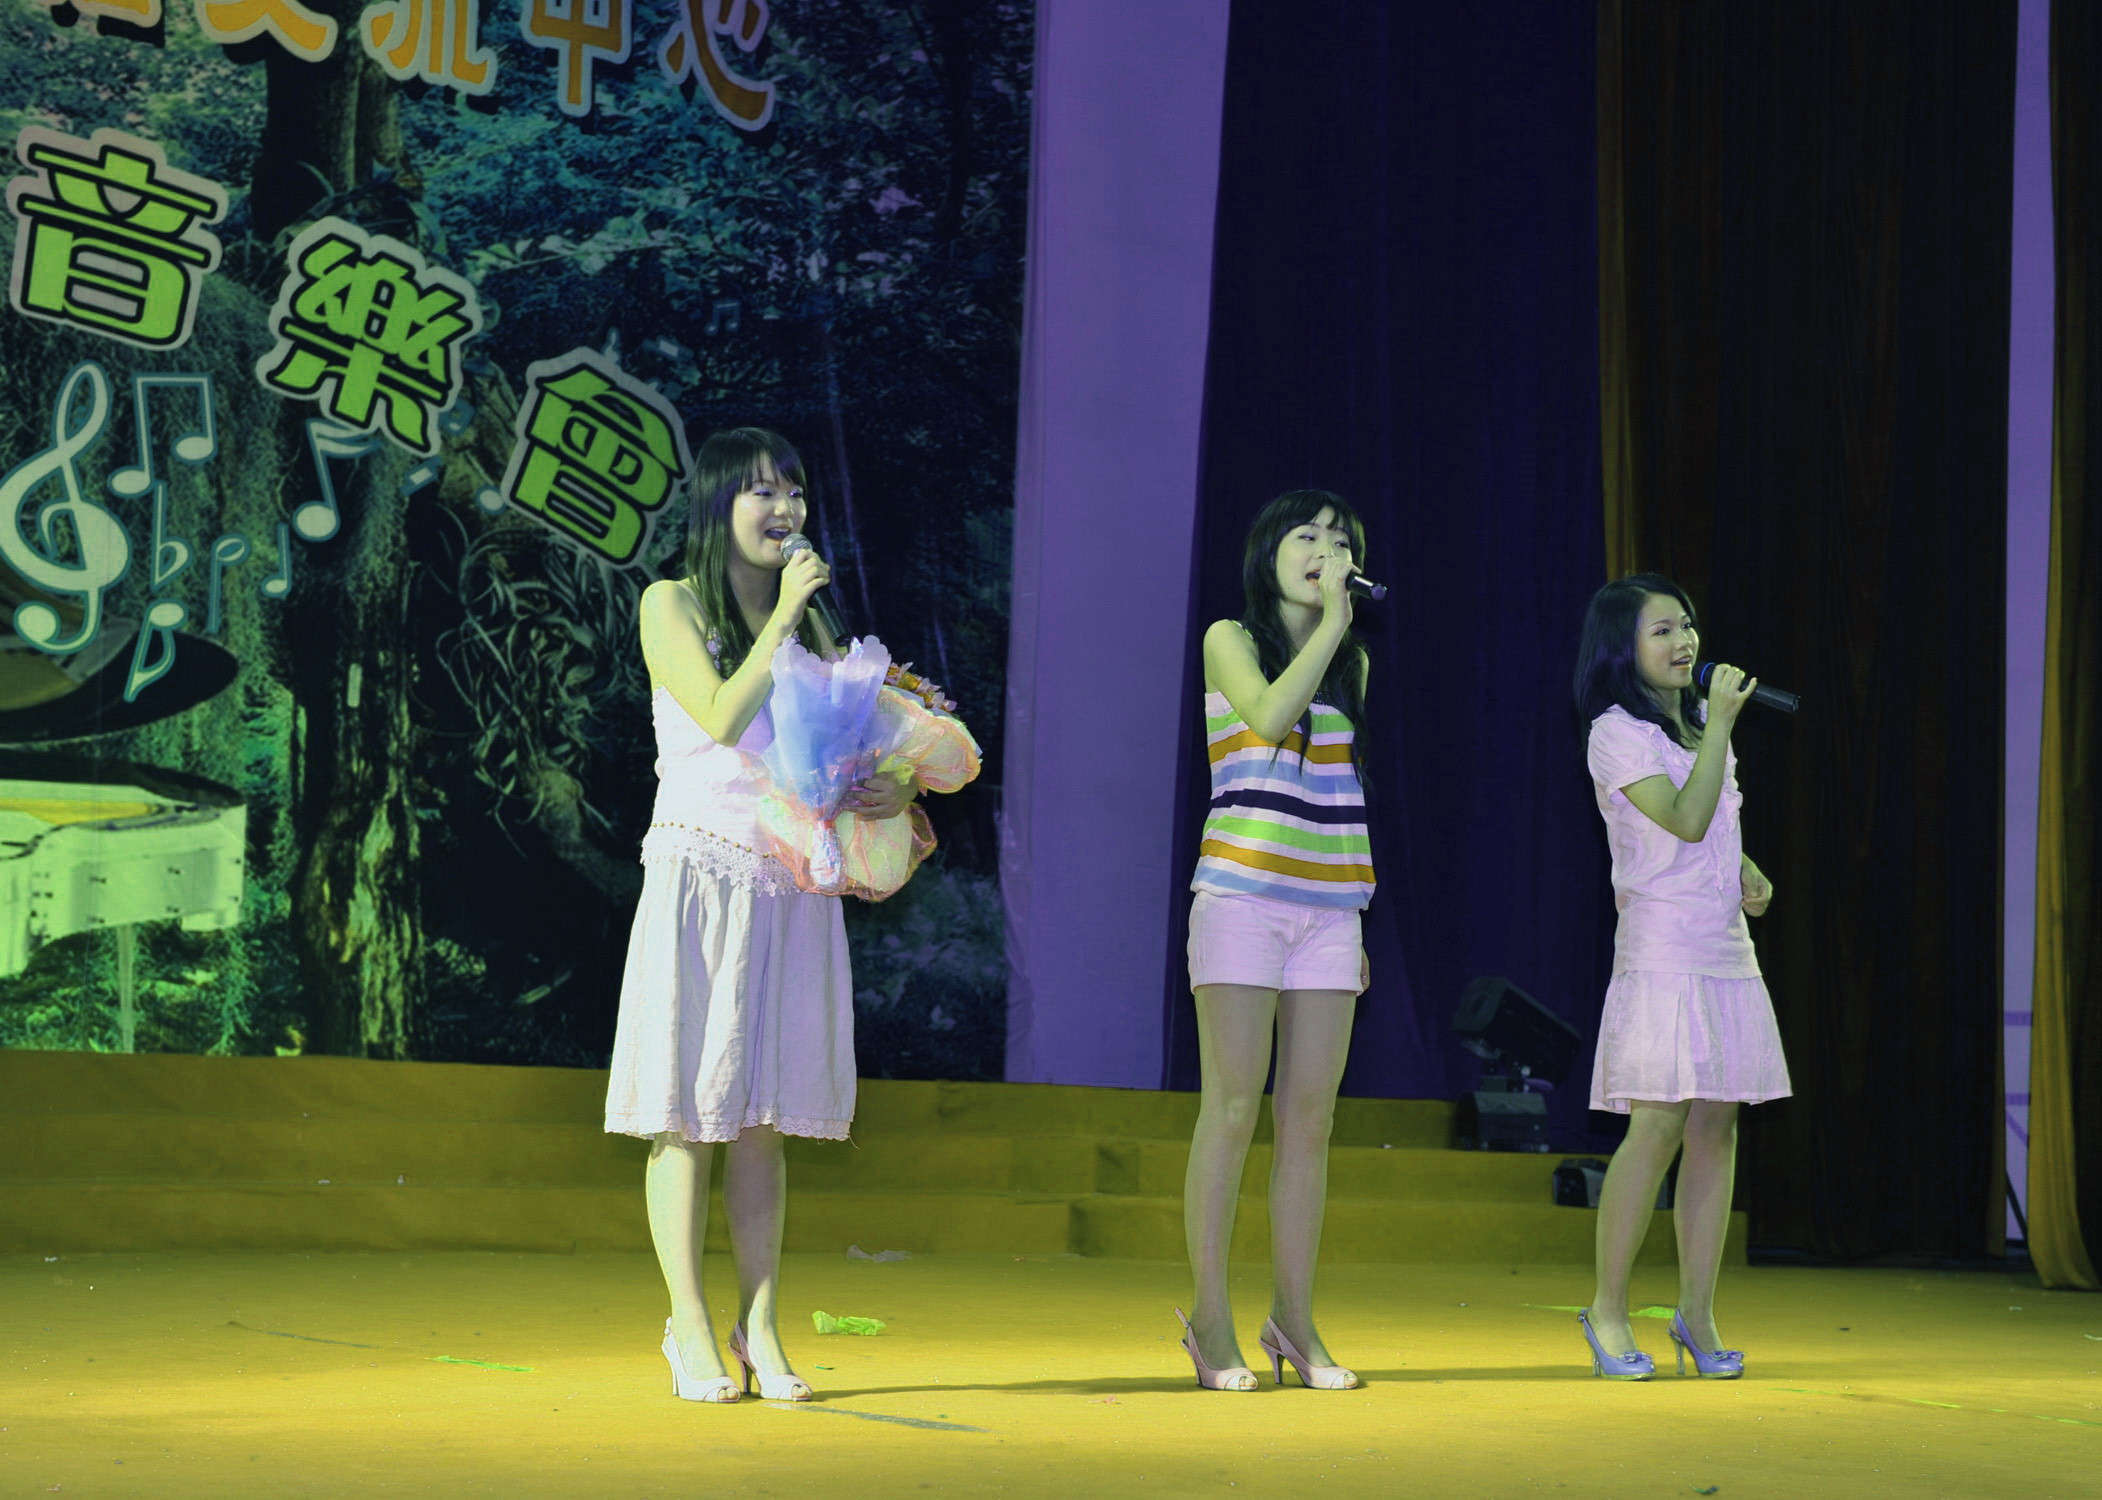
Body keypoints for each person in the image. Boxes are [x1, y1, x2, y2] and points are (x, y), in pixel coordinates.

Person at [603, 427, 914, 1403]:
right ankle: (688, 1325)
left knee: (763, 1122)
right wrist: (783, 615)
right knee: (685, 1116)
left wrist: (894, 783)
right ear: (716, 503)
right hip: (700, 873)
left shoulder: (813, 625)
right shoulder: (671, 603)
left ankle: (762, 1324)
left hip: (790, 884)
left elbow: (866, 744)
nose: (783, 509)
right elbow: (720, 716)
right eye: (761, 491)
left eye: (794, 491)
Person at [1569, 573, 1792, 1380]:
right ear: (1621, 647)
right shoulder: (1616, 733)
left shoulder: (1696, 722)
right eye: (1661, 629)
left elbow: (1712, 829)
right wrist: (1722, 725)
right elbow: (1684, 818)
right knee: (1656, 1126)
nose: (1684, 641)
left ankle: (1696, 1313)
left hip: (1724, 946)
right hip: (1663, 948)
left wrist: (1746, 867)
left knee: (1715, 1128)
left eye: (1687, 624)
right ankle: (1608, 1310)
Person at [1178, 490, 1376, 1392]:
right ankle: (1210, 1319)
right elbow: (1265, 719)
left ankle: (1294, 1322)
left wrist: (1352, 907)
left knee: (1310, 1121)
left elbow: (1339, 789)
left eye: (1341, 540)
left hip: (1329, 907)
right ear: (1270, 552)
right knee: (1231, 1108)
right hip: (1242, 897)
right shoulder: (1231, 638)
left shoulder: (1352, 662)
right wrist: (1331, 624)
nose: (1326, 550)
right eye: (1308, 535)